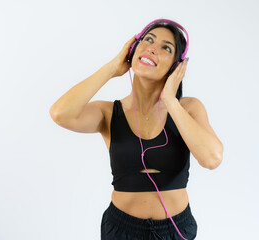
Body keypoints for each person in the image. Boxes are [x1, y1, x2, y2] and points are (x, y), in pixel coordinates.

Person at [50, 19, 223, 240]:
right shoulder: (109, 113)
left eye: (166, 48)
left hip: (175, 231)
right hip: (121, 230)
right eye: (148, 40)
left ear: (176, 65)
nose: (152, 47)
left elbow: (212, 158)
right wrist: (112, 68)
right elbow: (60, 114)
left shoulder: (188, 109)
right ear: (133, 49)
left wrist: (170, 99)